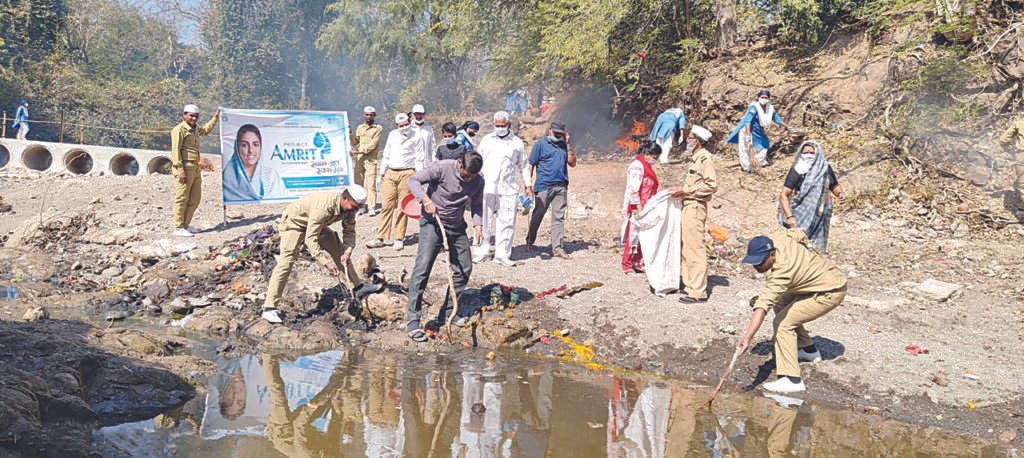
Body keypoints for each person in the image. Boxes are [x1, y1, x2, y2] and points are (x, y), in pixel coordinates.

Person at [736, 229, 848, 393]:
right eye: (753, 262)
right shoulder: (779, 238)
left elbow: (763, 304)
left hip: (829, 293)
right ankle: (808, 350)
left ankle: (791, 379)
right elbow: (798, 232)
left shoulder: (782, 271)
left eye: (760, 262)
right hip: (822, 282)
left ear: (772, 255)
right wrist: (808, 252)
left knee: (782, 324)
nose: (756, 267)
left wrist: (747, 337)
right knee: (780, 302)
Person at [404, 152, 485, 342]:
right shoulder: (441, 168)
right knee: (423, 268)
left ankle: (450, 312)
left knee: (464, 267)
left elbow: (477, 204)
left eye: (472, 177)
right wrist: (426, 200)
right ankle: (413, 320)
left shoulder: (478, 180)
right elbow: (413, 181)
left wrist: (478, 225)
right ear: (459, 164)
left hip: (456, 226)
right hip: (432, 223)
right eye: (466, 175)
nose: (468, 179)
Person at [261, 186, 374, 324]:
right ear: (345, 199)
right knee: (286, 262)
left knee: (338, 249)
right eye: (354, 207)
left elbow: (349, 231)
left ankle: (358, 288)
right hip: (295, 223)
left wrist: (348, 251)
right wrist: (325, 262)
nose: (355, 211)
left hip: (316, 225)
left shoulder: (349, 208)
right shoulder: (323, 208)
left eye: (358, 208)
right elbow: (310, 239)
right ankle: (269, 308)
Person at [473, 111, 529, 266]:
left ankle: (502, 254)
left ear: (509, 125)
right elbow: (477, 161)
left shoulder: (516, 143)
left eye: (502, 126)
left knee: (507, 221)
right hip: (486, 186)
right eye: (497, 126)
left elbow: (524, 165)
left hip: (508, 188)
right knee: (483, 220)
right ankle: (480, 251)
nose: (499, 128)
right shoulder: (486, 140)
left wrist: (528, 185)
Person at [669, 125, 718, 303]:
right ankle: (689, 285)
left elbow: (711, 185)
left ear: (697, 141)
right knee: (686, 247)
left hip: (696, 206)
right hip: (688, 206)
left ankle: (698, 292)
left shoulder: (705, 159)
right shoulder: (695, 159)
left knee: (695, 248)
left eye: (690, 137)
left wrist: (685, 190)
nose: (687, 140)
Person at [368, 113, 429, 251]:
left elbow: (420, 158)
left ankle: (398, 238)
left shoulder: (417, 136)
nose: (405, 127)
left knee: (402, 207)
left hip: (407, 172)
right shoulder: (393, 135)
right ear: (397, 126)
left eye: (407, 124)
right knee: (386, 205)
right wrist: (381, 173)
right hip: (391, 172)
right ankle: (380, 237)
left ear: (410, 121)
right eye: (401, 126)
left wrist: (420, 179)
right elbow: (386, 154)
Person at [778, 141, 844, 252]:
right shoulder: (797, 169)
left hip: (821, 214)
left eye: (811, 153)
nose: (808, 155)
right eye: (805, 152)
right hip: (801, 214)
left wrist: (840, 194)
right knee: (798, 244)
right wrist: (789, 216)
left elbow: (834, 185)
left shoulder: (825, 169)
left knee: (816, 249)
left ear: (818, 154)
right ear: (800, 154)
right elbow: (784, 194)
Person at [525, 121, 576, 259]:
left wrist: (568, 144)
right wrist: (527, 185)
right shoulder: (540, 145)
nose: (558, 136)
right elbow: (531, 165)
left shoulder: (563, 145)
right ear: (550, 130)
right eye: (556, 133)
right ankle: (530, 241)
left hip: (561, 186)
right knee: (538, 214)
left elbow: (572, 163)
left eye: (561, 134)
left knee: (558, 217)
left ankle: (558, 248)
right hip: (543, 186)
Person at [170, 104, 219, 237]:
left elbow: (206, 130)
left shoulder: (196, 129)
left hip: (195, 167)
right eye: (191, 116)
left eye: (196, 116)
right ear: (184, 115)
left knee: (195, 198)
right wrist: (180, 170)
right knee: (182, 197)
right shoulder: (179, 130)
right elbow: (176, 151)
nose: (193, 118)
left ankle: (186, 224)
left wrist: (215, 118)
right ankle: (178, 226)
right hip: (185, 167)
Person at [620, 141, 661, 274]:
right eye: (655, 157)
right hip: (636, 206)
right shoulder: (637, 166)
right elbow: (633, 189)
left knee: (642, 234)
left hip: (646, 205)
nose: (656, 160)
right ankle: (627, 264)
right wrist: (637, 207)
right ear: (647, 154)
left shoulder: (646, 166)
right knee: (633, 235)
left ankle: (637, 262)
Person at [726, 89, 790, 173]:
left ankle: (759, 162)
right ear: (758, 97)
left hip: (758, 131)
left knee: (764, 145)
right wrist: (747, 135)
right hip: (748, 130)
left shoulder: (769, 108)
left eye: (766, 97)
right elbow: (747, 121)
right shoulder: (754, 107)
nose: (764, 99)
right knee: (745, 148)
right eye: (762, 97)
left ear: (768, 99)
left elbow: (776, 118)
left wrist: (788, 127)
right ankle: (746, 167)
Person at [222, 124, 286, 202]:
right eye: (244, 145)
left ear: (260, 147)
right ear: (237, 147)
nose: (251, 150)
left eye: (255, 144)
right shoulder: (228, 178)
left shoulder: (271, 176)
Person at [350, 106, 384, 216]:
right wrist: (350, 133)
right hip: (359, 160)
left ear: (374, 115)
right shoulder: (360, 127)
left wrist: (358, 151)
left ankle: (371, 207)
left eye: (371, 115)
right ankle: (361, 206)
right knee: (358, 184)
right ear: (364, 115)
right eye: (367, 114)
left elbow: (373, 145)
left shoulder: (378, 128)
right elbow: (355, 142)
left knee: (371, 185)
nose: (368, 116)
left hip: (371, 160)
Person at [999, 116, 1024, 212]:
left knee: (1023, 184)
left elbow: (1003, 139)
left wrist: (1009, 151)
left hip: (1021, 154)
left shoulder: (1019, 122)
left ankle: (1022, 209)